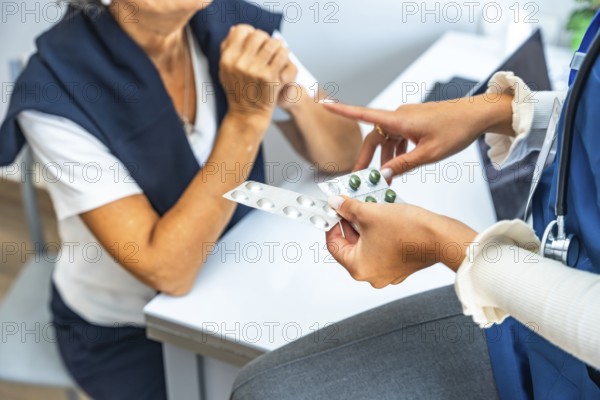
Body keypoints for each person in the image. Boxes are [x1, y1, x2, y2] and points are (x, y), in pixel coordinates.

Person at [0, 0, 361, 398]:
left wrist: (289, 91)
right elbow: (170, 270)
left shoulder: (227, 21)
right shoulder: (55, 92)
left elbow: (343, 154)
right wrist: (246, 117)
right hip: (126, 334)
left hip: (235, 273)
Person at [231, 16, 600, 400]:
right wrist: (506, 114)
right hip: (537, 295)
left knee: (264, 391)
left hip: (563, 344)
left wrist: (446, 244)